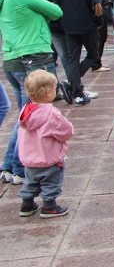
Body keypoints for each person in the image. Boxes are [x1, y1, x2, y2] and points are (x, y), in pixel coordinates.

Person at [0, 0, 63, 186]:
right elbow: (56, 11)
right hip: (32, 60)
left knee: (23, 116)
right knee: (30, 117)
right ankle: (18, 167)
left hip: (14, 60)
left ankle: (9, 166)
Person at [17, 69, 74, 218]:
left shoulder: (25, 110)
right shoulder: (51, 113)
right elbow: (66, 131)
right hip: (48, 157)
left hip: (30, 158)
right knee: (51, 182)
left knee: (30, 182)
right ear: (49, 92)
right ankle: (49, 206)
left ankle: (27, 204)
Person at [52, 0, 102, 105]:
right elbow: (97, 4)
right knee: (94, 56)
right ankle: (73, 85)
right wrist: (98, 21)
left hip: (69, 26)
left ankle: (76, 90)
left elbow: (56, 5)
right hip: (87, 26)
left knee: (73, 59)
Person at [38, 0, 71, 78]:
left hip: (50, 26)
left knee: (51, 59)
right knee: (66, 58)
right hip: (58, 27)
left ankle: (53, 87)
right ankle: (75, 87)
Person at [89, 0, 114, 72]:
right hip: (99, 14)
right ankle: (96, 64)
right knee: (100, 39)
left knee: (100, 39)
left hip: (100, 14)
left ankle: (96, 62)